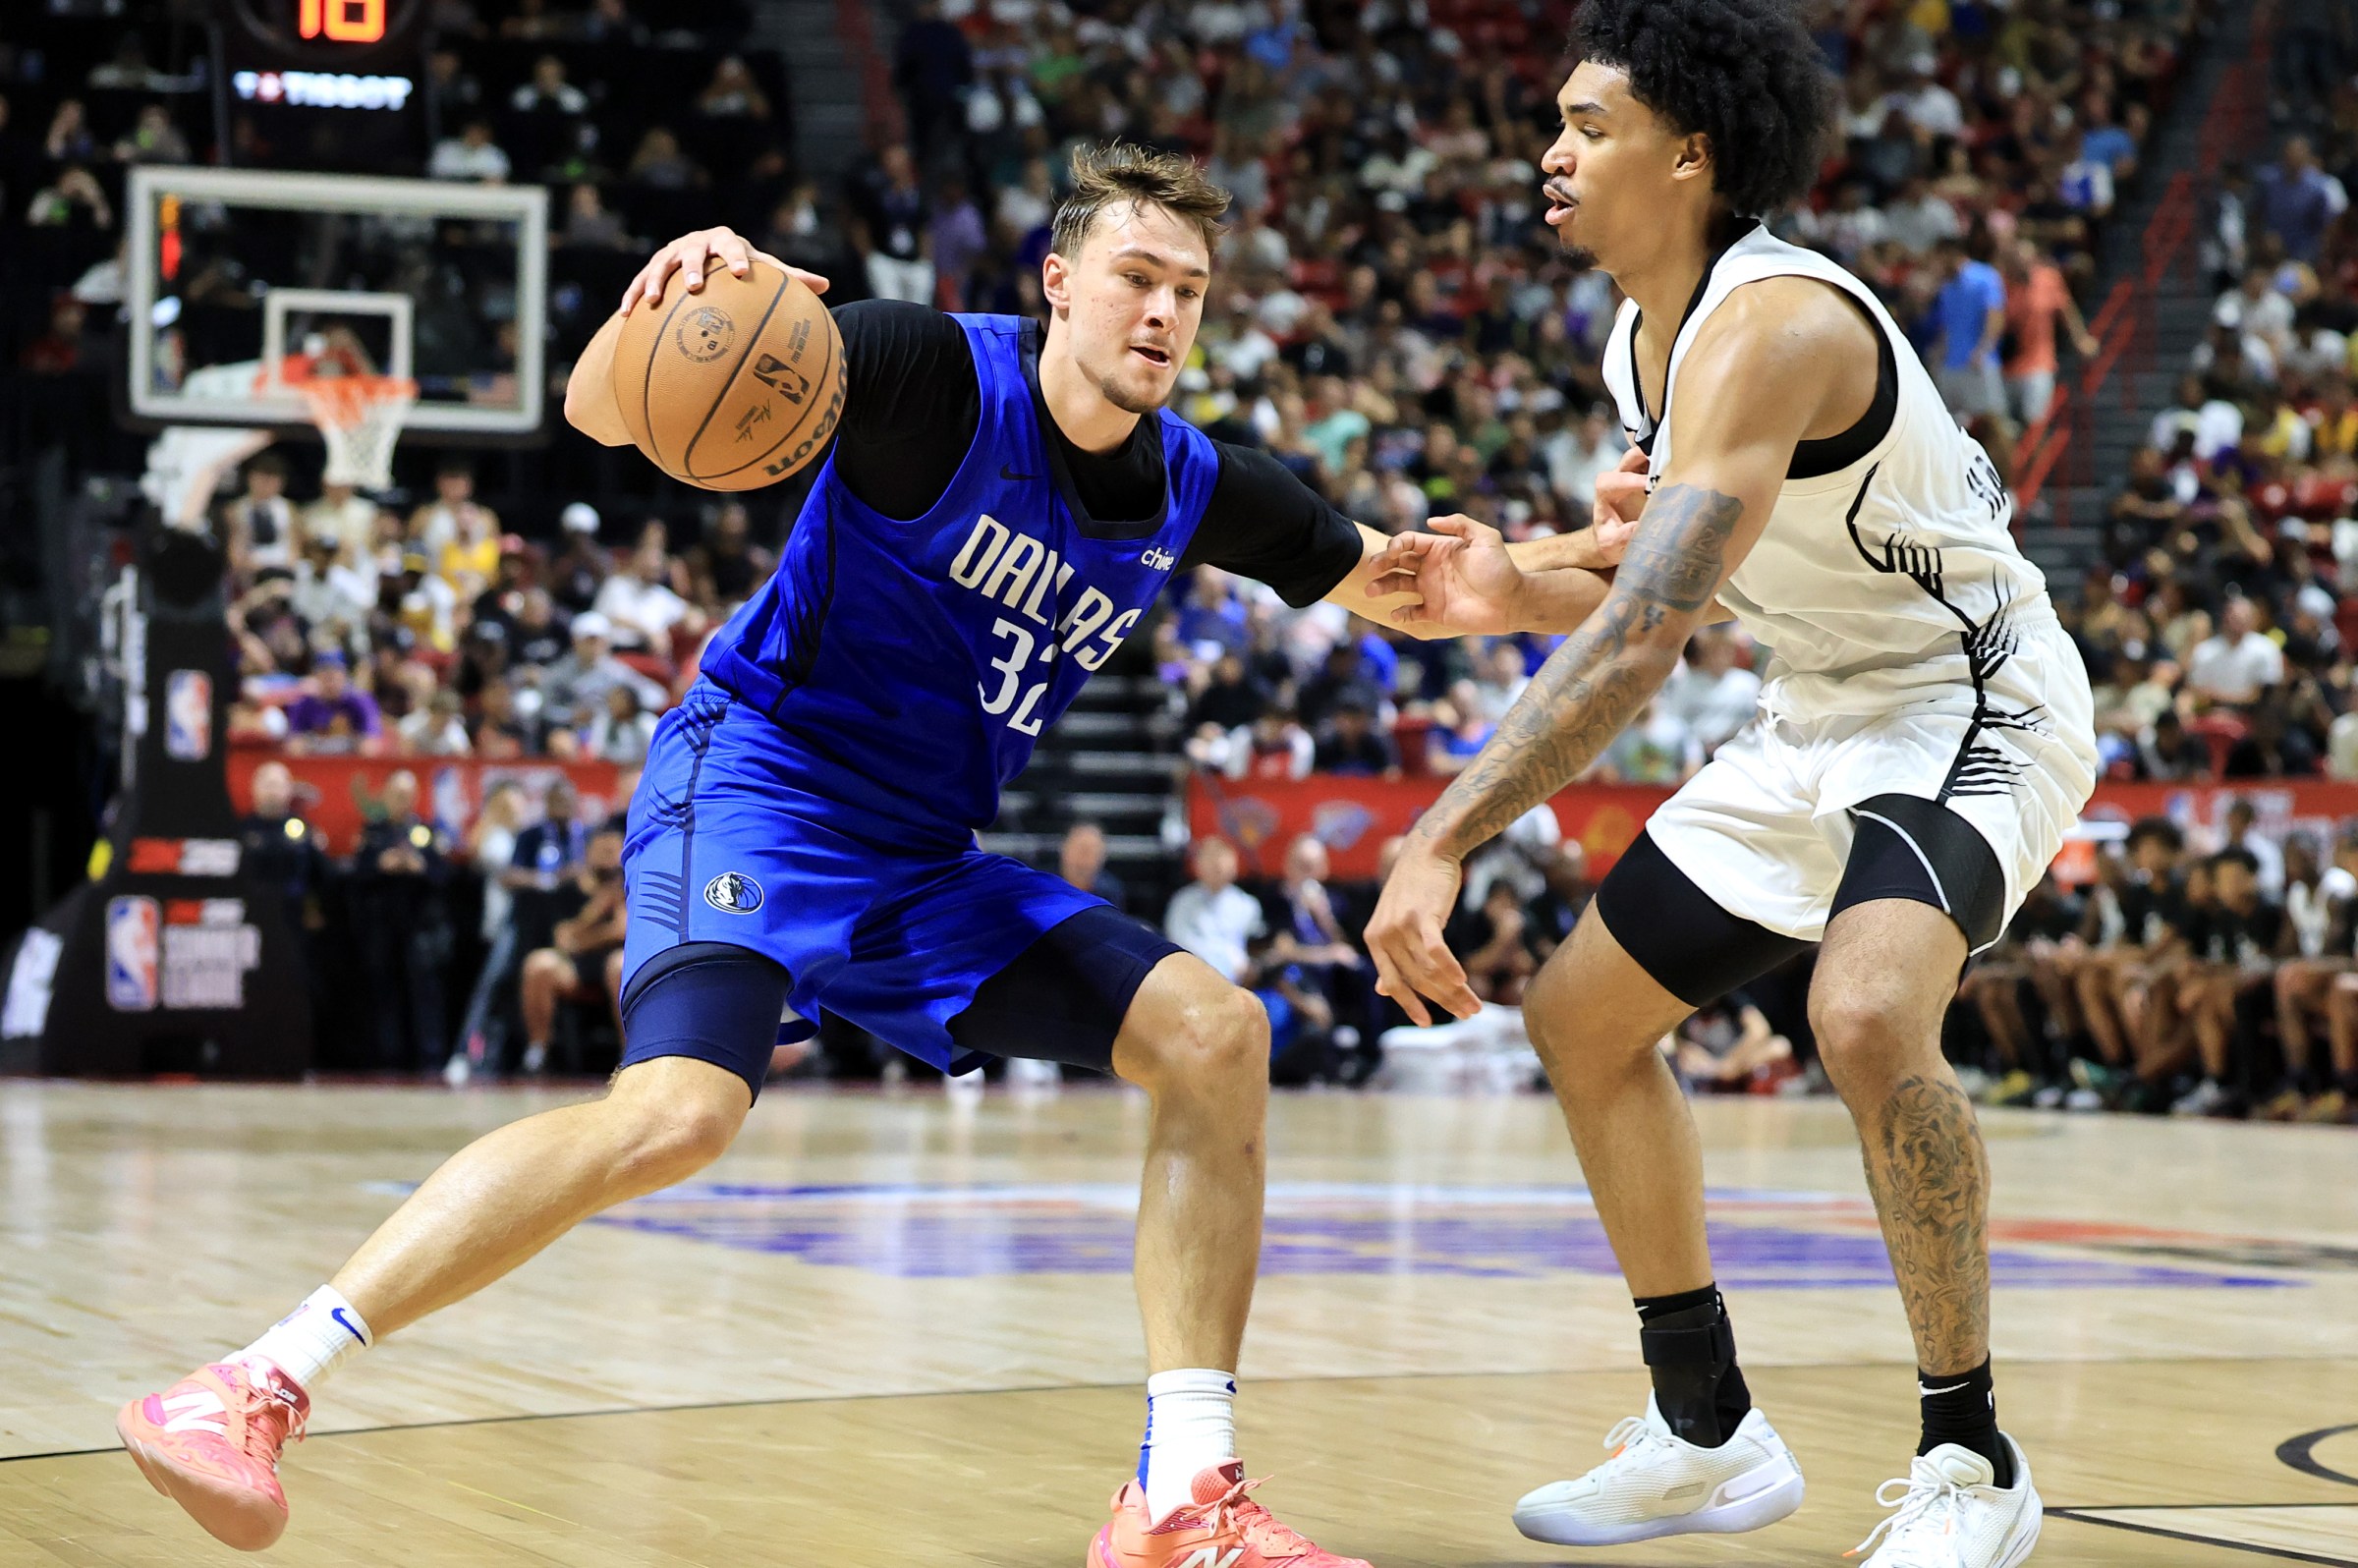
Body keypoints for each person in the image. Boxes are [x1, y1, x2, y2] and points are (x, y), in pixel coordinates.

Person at [119, 142, 1578, 1563]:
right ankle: (252, 1383)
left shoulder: (1199, 485)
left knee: (1215, 1034)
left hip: (921, 857)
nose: (1163, 313)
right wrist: (668, 302)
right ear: (1058, 282)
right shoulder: (922, 372)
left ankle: (1181, 1498)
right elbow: (602, 410)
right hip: (759, 779)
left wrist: (1609, 559)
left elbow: (1422, 590)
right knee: (679, 1115)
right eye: (1136, 276)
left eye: (1188, 290)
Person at [1363, 6, 2097, 1561]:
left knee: (1866, 1013)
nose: (1552, 153)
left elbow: (1646, 640)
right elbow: (1672, 575)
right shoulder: (1645, 336)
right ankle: (1706, 1427)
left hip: (1972, 695)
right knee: (1581, 1019)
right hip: (1816, 706)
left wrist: (1440, 835)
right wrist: (1511, 585)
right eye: (1556, 124)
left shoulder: (1774, 325)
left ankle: (1972, 1461)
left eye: (1590, 127)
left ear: (1690, 154)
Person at [349, 771, 452, 1072]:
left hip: (419, 928)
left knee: (425, 995)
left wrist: (419, 867)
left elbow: (443, 876)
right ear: (385, 796)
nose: (401, 801)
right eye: (396, 795)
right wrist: (381, 865)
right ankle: (386, 1058)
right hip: (382, 926)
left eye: (407, 795)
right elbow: (357, 876)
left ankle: (430, 1059)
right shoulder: (373, 832)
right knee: (384, 994)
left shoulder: (426, 832)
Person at [516, 825, 629, 1075]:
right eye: (603, 851)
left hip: (615, 964)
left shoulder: (630, 885)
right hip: (576, 967)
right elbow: (563, 940)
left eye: (614, 851)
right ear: (588, 852)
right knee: (538, 964)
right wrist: (595, 913)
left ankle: (629, 1053)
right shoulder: (569, 888)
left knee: (619, 966)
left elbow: (623, 932)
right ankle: (538, 1051)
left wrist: (585, 938)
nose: (609, 859)